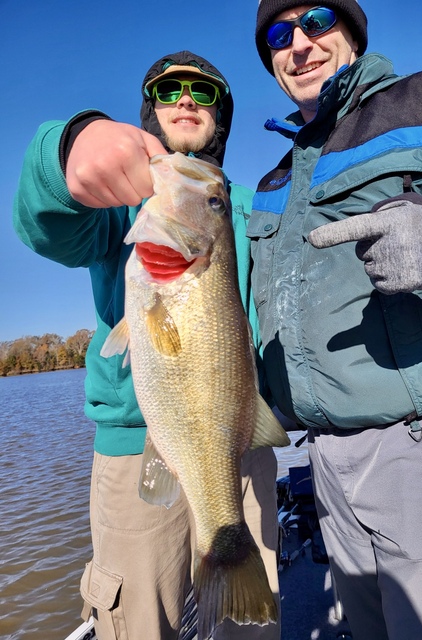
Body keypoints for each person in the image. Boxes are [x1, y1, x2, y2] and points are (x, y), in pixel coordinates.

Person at [13, 51, 281, 640]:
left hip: (240, 447)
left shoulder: (250, 214)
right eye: (171, 91)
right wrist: (70, 147)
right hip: (137, 446)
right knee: (138, 623)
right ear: (149, 112)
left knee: (251, 626)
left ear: (222, 118)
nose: (186, 100)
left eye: (203, 93)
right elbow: (42, 222)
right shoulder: (119, 212)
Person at [250, 2, 422, 639]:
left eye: (317, 20)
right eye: (278, 34)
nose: (299, 43)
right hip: (325, 465)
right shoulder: (272, 182)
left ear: (352, 30)